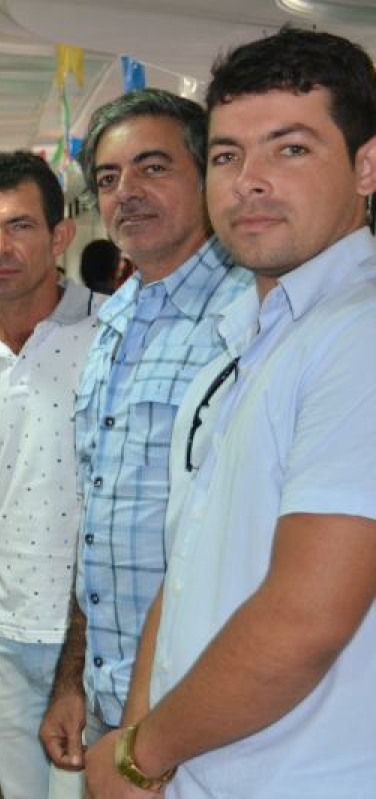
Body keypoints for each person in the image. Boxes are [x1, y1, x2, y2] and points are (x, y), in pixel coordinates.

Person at [86, 27, 376, 799]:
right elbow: (187, 564)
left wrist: (141, 753)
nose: (249, 181)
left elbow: (306, 620)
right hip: (205, 764)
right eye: (226, 155)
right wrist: (140, 738)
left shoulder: (360, 335)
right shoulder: (248, 338)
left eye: (291, 149)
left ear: (367, 166)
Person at [39, 89, 252, 776]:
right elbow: (100, 518)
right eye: (108, 178)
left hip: (210, 710)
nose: (126, 192)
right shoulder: (115, 321)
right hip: (113, 697)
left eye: (153, 167)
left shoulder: (250, 317)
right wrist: (74, 679)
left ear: (208, 174)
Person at [0, 151, 97, 799]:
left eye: (20, 225)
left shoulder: (114, 336)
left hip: (98, 637)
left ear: (61, 236)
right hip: (1, 635)